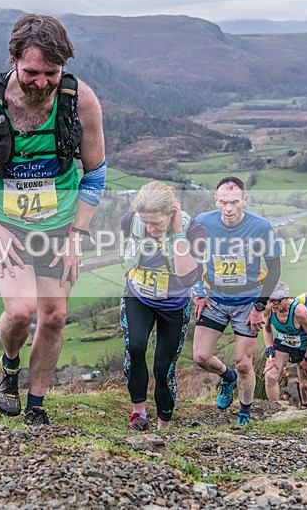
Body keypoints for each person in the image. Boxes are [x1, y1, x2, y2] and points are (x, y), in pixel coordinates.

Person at [0, 14, 106, 425]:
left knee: (55, 315)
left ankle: (36, 404)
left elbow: (95, 173)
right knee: (21, 311)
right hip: (10, 225)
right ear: (13, 60)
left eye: (52, 73)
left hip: (60, 225)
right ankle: (9, 367)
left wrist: (78, 234)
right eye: (32, 73)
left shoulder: (81, 101)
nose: (42, 83)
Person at [192, 176, 282, 425]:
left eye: (234, 202)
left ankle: (244, 411)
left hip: (247, 301)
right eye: (223, 202)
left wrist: (259, 307)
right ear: (216, 201)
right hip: (215, 299)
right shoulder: (203, 222)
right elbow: (193, 259)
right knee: (200, 357)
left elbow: (274, 270)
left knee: (244, 362)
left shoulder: (262, 227)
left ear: (245, 200)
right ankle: (226, 377)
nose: (228, 209)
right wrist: (198, 292)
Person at [120, 182, 206, 431]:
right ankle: (139, 414)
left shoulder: (194, 231)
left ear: (172, 213)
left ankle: (163, 427)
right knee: (134, 349)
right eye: (145, 222)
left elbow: (189, 277)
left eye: (156, 223)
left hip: (174, 305)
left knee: (162, 368)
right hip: (138, 297)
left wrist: (177, 233)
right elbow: (129, 245)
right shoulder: (130, 220)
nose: (150, 228)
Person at [262, 281, 307, 408]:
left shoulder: (300, 312)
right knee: (270, 376)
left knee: (305, 384)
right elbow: (266, 329)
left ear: (286, 299)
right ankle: (275, 409)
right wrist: (269, 352)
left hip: (304, 345)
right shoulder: (268, 308)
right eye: (270, 300)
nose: (272, 304)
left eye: (276, 301)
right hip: (283, 342)